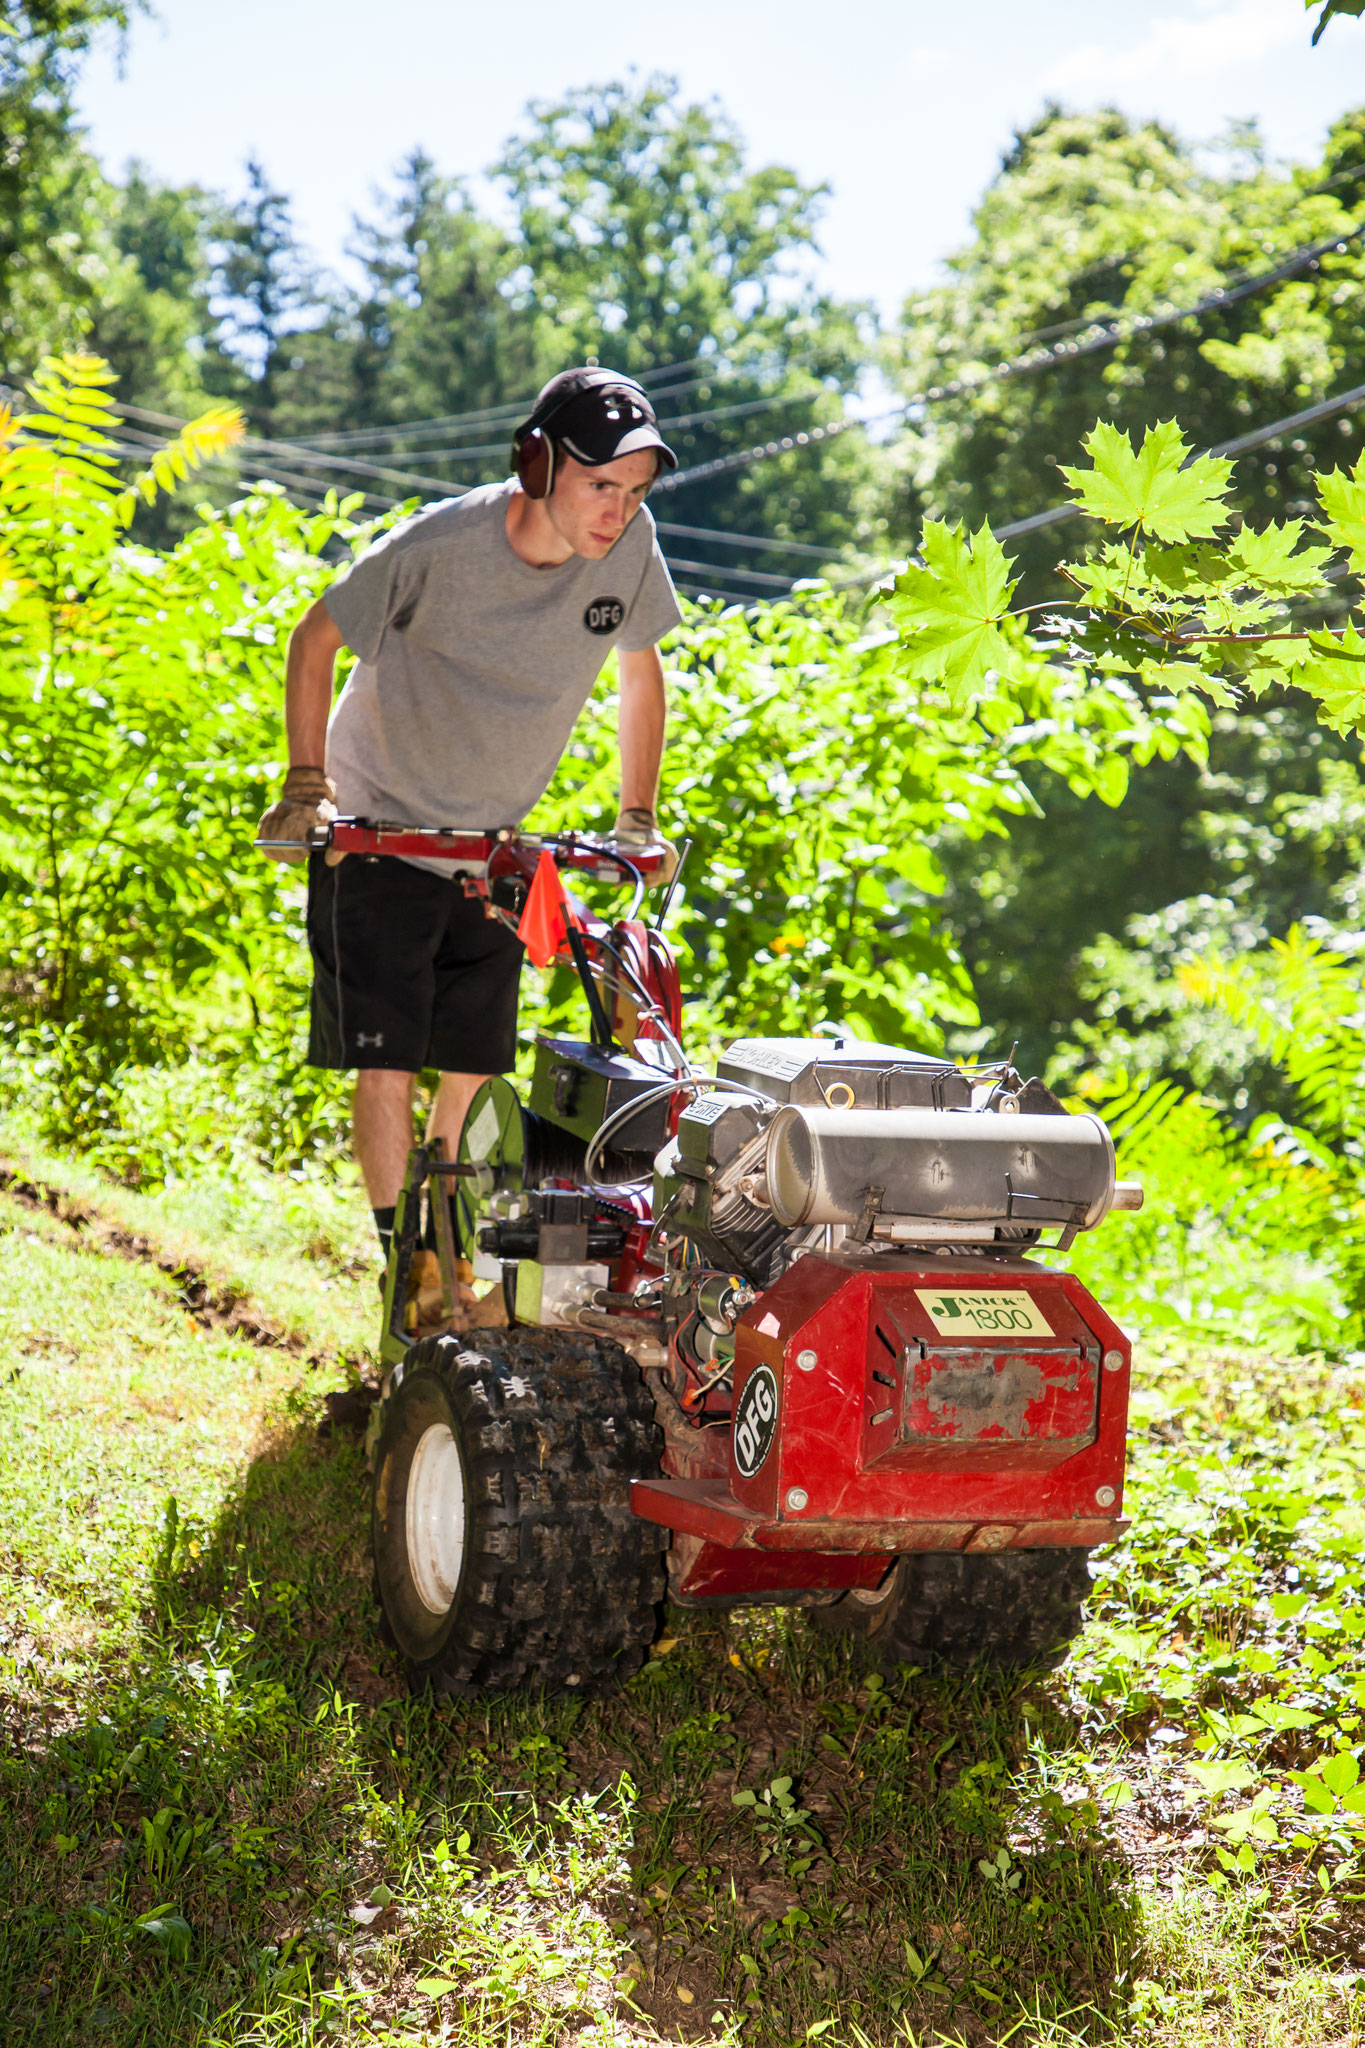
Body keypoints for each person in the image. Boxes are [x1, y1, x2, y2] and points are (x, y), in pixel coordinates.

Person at [256, 367, 682, 1275]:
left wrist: (636, 817)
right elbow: (314, 638)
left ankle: (441, 1249)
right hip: (379, 826)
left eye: (633, 491)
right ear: (539, 464)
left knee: (474, 1059)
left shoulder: (629, 548)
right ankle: (397, 1261)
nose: (616, 511)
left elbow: (639, 673)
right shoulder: (442, 546)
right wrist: (307, 782)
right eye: (599, 484)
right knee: (390, 1059)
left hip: (490, 844)